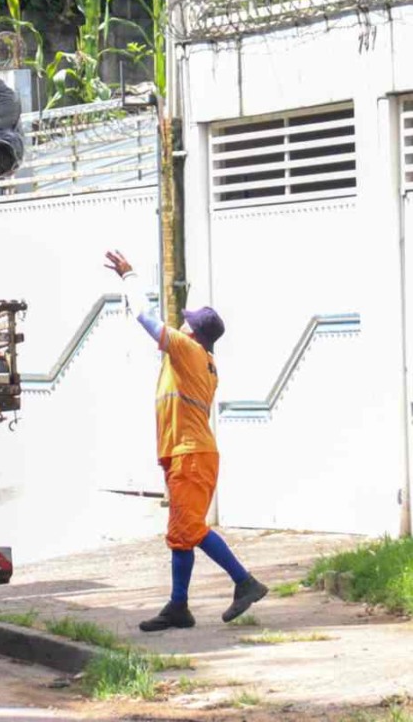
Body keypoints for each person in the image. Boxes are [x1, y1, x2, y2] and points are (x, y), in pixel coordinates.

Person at [105, 250, 268, 631]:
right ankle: (178, 607)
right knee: (181, 532)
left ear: (194, 333)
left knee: (189, 528)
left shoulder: (187, 350)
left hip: (191, 454)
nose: (181, 322)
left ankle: (245, 582)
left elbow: (144, 317)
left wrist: (129, 277)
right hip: (189, 453)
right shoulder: (202, 361)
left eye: (186, 321)